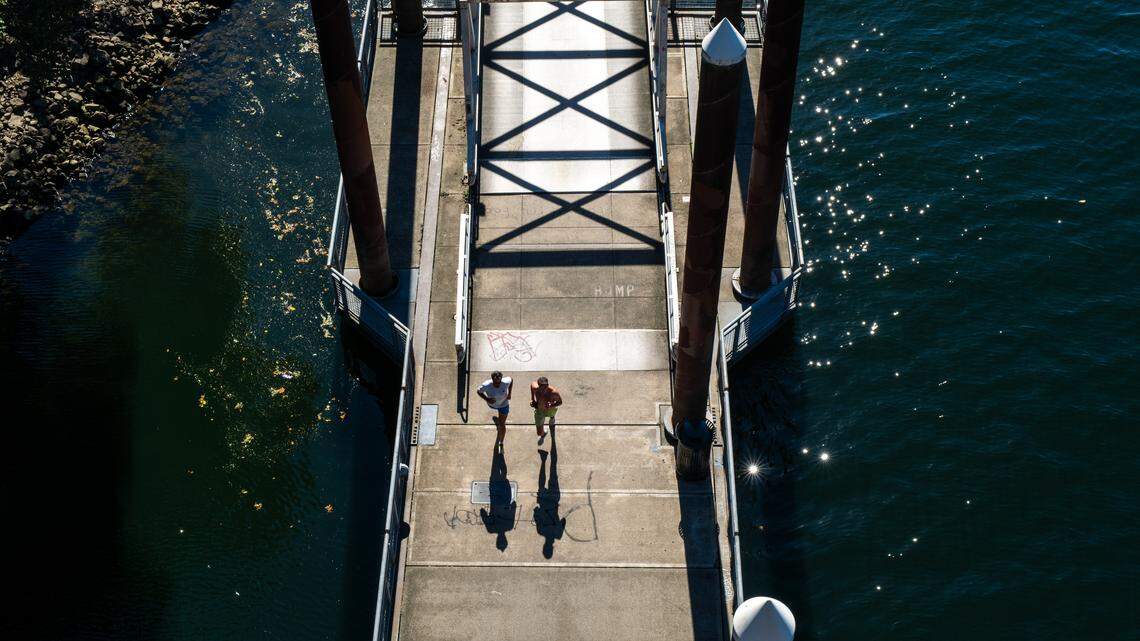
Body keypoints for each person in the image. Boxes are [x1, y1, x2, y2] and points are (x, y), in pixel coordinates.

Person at [476, 371, 512, 445]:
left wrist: (510, 393)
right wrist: (487, 399)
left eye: (499, 382)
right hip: (492, 405)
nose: (497, 384)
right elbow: (479, 391)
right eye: (495, 382)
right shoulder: (486, 385)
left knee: (502, 424)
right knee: (499, 418)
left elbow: (511, 380)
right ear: (492, 379)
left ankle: (501, 441)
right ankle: (498, 420)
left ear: (501, 379)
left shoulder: (505, 382)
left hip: (504, 404)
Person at [530, 376, 562, 445]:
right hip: (539, 410)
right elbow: (532, 384)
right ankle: (543, 433)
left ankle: (552, 418)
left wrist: (551, 405)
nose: (543, 390)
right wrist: (533, 399)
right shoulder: (535, 388)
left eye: (545, 387)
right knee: (539, 433)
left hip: (550, 409)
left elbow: (560, 402)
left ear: (547, 385)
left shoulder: (554, 392)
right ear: (538, 385)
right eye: (541, 387)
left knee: (552, 416)